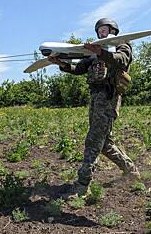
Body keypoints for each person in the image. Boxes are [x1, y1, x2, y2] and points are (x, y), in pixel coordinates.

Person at [49, 18, 140, 198]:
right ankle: (131, 172)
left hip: (109, 98)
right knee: (104, 143)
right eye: (99, 30)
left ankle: (82, 185)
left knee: (93, 140)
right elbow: (79, 68)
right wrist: (62, 64)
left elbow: (121, 60)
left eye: (104, 29)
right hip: (96, 99)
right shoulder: (93, 51)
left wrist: (102, 53)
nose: (101, 32)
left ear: (113, 30)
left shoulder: (122, 44)